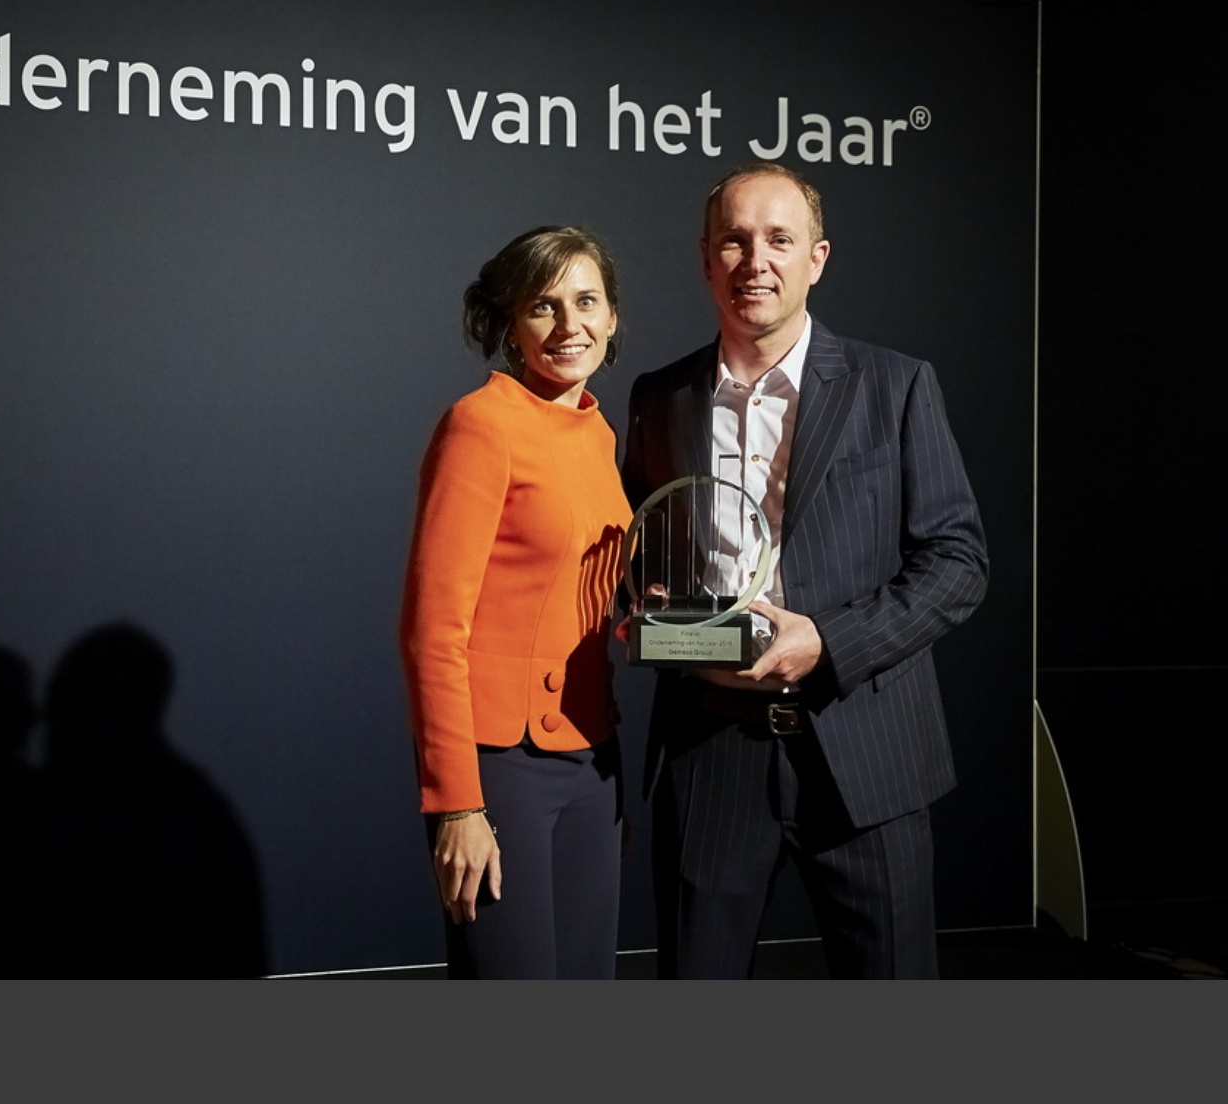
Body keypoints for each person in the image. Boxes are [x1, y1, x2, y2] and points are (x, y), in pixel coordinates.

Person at [622, 162, 988, 979]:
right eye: (734, 240)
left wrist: (828, 640)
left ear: (816, 258)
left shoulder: (894, 385)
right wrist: (646, 602)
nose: (756, 261)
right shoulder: (659, 397)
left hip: (867, 748)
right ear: (705, 259)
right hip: (711, 751)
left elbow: (959, 562)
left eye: (779, 240)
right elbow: (640, 553)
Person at [400, 225, 632, 979]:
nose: (570, 326)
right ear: (509, 324)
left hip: (592, 756)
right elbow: (432, 632)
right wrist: (457, 805)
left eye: (586, 302)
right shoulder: (481, 423)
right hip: (502, 769)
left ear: (613, 317)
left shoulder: (598, 431)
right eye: (543, 306)